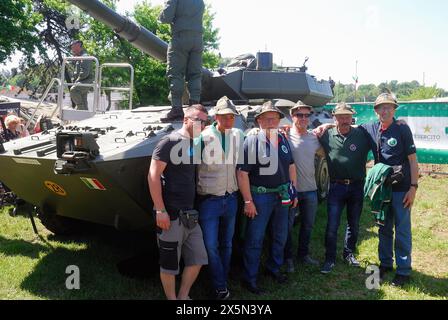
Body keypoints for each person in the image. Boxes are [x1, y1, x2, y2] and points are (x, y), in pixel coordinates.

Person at [148, 104, 209, 300]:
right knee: (169, 263)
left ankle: (183, 296)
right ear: (185, 120)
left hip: (190, 214)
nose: (202, 124)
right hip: (171, 214)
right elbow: (153, 176)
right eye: (198, 120)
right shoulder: (169, 142)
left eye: (205, 121)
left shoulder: (196, 143)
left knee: (198, 258)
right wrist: (160, 210)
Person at [237, 101, 298, 295]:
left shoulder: (282, 138)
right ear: (259, 121)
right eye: (267, 118)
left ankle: (273, 268)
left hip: (282, 195)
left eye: (275, 118)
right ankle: (250, 278)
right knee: (255, 239)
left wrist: (293, 190)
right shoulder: (252, 141)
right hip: (260, 197)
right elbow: (242, 173)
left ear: (279, 120)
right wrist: (248, 201)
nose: (271, 121)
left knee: (280, 235)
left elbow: (291, 165)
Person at [359, 93, 418, 287]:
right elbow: (349, 127)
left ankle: (403, 271)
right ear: (375, 111)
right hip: (381, 190)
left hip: (402, 189)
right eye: (381, 108)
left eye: (389, 107)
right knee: (383, 228)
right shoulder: (371, 128)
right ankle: (385, 264)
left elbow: (412, 160)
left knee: (402, 229)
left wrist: (413, 188)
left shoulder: (402, 129)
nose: (385, 111)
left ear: (394, 110)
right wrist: (324, 126)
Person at [196, 96, 244, 300]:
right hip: (209, 200)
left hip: (231, 198)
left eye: (232, 117)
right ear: (216, 117)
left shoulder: (238, 135)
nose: (229, 120)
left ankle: (220, 281)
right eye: (224, 117)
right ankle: (220, 285)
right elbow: (191, 164)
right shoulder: (203, 137)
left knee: (227, 243)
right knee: (211, 245)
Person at [318, 103, 370, 274]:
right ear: (335, 117)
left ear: (352, 117)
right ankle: (329, 259)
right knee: (332, 225)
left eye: (347, 116)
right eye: (341, 116)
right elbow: (304, 135)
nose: (344, 119)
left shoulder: (362, 134)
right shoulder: (326, 134)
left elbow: (381, 130)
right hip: (336, 187)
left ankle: (349, 254)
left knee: (353, 224)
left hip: (356, 186)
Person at [284, 101, 325, 272]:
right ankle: (287, 258)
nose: (303, 118)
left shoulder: (313, 138)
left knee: (307, 225)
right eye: (299, 115)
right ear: (292, 116)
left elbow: (324, 153)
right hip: (290, 190)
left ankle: (303, 254)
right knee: (286, 226)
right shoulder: (284, 135)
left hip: (310, 189)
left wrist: (327, 126)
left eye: (306, 115)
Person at [159, 0, 205, 122]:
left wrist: (162, 14)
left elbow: (166, 17)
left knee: (176, 73)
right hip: (197, 39)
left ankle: (177, 109)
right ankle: (195, 108)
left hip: (180, 38)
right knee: (195, 74)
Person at [70, 40, 94, 111]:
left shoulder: (85, 57)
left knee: (74, 90)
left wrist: (76, 81)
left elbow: (84, 73)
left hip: (86, 81)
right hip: (83, 81)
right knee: (83, 98)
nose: (72, 50)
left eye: (73, 47)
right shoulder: (80, 57)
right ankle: (84, 113)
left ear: (78, 46)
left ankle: (80, 109)